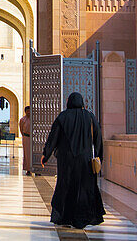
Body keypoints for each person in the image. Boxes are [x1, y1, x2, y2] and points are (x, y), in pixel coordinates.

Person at [40, 92, 105, 229]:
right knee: (84, 187)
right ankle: (82, 218)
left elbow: (53, 137)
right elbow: (98, 138)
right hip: (85, 160)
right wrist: (99, 156)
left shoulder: (63, 117)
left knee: (66, 186)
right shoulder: (90, 117)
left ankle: (65, 217)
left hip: (66, 160)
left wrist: (46, 155)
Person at [19, 105, 32, 175]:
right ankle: (28, 169)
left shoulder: (34, 119)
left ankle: (36, 168)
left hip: (33, 138)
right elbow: (21, 129)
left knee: (33, 153)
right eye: (27, 111)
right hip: (26, 137)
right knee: (27, 154)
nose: (29, 112)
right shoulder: (22, 119)